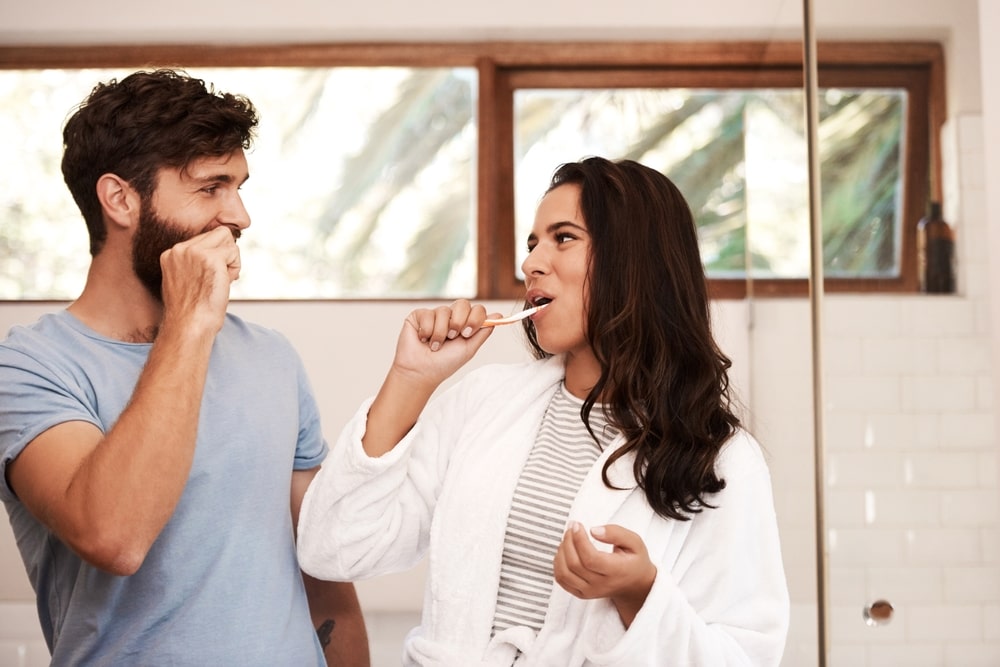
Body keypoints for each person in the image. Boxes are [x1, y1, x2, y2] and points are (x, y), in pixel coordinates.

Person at [297, 156, 790, 666]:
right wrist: (409, 380)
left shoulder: (723, 459)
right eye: (532, 243)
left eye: (564, 238)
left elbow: (745, 655)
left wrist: (640, 595)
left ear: (635, 262)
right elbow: (331, 548)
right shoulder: (481, 404)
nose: (531, 263)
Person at [0, 69, 369, 666]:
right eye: (211, 187)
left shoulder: (272, 357)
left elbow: (321, 572)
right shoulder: (27, 369)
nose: (241, 215)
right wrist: (189, 324)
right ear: (121, 199)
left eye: (240, 185)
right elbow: (113, 536)